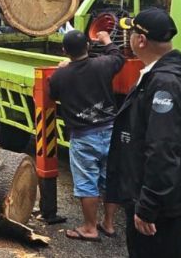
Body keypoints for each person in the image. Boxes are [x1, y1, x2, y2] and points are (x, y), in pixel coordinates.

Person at [106, 8, 181, 258]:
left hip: (159, 205)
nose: (127, 38)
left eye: (130, 32)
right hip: (157, 198)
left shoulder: (165, 84)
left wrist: (148, 205)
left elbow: (163, 149)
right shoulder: (159, 76)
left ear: (141, 40)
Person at [49, 29, 126, 242]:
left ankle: (90, 228)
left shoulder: (60, 75)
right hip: (110, 130)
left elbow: (52, 95)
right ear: (88, 47)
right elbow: (118, 57)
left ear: (65, 51)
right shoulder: (103, 64)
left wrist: (63, 68)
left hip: (83, 136)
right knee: (110, 178)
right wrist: (107, 40)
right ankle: (108, 224)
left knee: (86, 182)